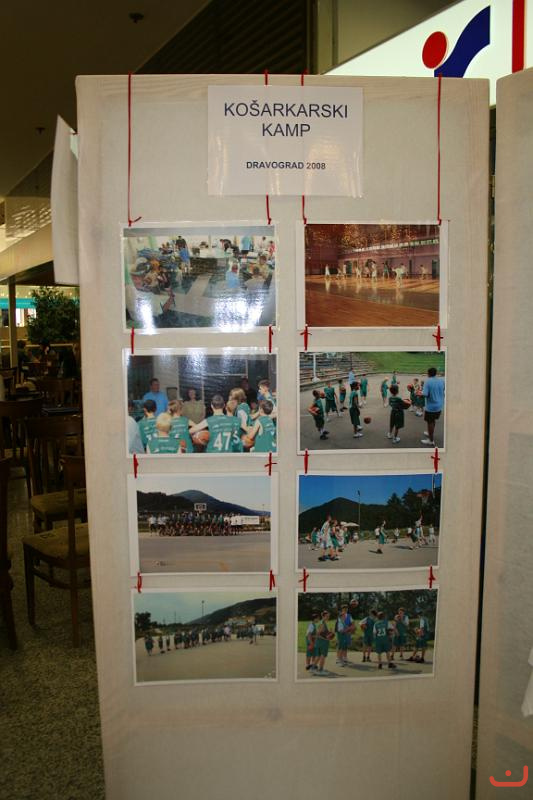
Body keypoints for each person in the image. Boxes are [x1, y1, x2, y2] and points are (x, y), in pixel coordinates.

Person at [421, 367, 445, 446]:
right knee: (433, 420)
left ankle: (431, 440)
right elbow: (442, 390)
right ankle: (429, 433)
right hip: (439, 405)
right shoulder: (441, 381)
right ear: (435, 373)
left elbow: (425, 394)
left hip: (431, 407)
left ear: (428, 373)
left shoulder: (427, 382)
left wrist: (419, 394)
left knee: (430, 422)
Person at [313, 610, 333, 676]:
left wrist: (330, 632)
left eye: (328, 616)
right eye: (327, 616)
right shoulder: (322, 624)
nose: (328, 617)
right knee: (322, 656)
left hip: (319, 642)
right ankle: (320, 670)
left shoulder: (322, 623)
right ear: (323, 616)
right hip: (322, 643)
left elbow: (323, 634)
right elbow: (317, 634)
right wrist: (326, 638)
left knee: (318, 656)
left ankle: (313, 668)